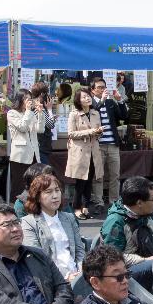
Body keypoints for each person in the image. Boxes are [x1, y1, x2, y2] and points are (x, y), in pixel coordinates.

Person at [19, 175, 84, 286]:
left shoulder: (69, 218)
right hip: (52, 280)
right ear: (38, 197)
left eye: (57, 190)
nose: (55, 196)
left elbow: (79, 249)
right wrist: (66, 277)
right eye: (48, 192)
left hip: (76, 275)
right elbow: (38, 259)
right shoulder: (28, 222)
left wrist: (82, 272)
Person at [100, 177, 153, 287]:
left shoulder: (148, 216)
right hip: (124, 273)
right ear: (139, 203)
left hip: (150, 261)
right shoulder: (115, 222)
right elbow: (113, 258)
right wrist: (145, 260)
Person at [88, 77, 128, 215]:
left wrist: (120, 100)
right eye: (99, 87)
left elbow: (124, 115)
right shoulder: (91, 103)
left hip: (113, 144)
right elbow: (92, 113)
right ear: (92, 90)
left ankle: (114, 202)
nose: (102, 89)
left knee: (115, 175)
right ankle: (98, 202)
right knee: (98, 175)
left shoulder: (111, 102)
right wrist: (103, 100)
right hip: (98, 145)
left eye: (103, 87)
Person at [65, 87, 101, 220]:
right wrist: (90, 132)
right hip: (80, 152)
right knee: (80, 181)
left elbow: (97, 131)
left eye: (88, 96)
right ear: (78, 101)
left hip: (93, 151)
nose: (87, 98)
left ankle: (85, 207)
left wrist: (98, 132)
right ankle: (76, 207)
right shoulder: (74, 114)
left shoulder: (95, 113)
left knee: (89, 180)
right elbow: (71, 133)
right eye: (84, 97)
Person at [4, 91, 41, 198]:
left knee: (34, 184)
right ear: (20, 100)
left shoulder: (30, 113)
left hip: (34, 153)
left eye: (30, 99)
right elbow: (22, 127)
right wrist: (29, 112)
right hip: (20, 154)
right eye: (26, 99)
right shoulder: (12, 113)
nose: (29, 101)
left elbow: (40, 129)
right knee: (19, 185)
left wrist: (40, 113)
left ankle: (31, 207)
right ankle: (16, 209)